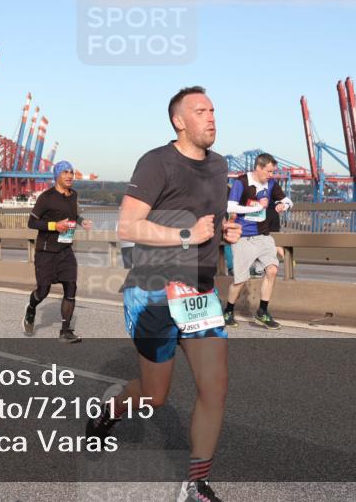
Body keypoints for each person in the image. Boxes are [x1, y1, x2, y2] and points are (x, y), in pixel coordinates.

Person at [85, 86, 242, 502]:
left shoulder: (221, 166)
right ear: (179, 120)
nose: (211, 117)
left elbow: (211, 216)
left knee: (215, 387)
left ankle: (195, 485)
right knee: (155, 397)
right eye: (201, 110)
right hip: (153, 290)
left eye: (213, 109)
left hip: (198, 292)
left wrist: (225, 231)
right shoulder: (156, 162)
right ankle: (112, 409)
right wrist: (187, 234)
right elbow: (128, 226)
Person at [22, 160, 94, 343]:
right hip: (46, 251)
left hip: (65, 250)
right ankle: (31, 307)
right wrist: (55, 225)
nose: (70, 176)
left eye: (71, 172)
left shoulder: (73, 195)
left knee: (71, 287)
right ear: (57, 176)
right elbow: (32, 223)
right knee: (43, 291)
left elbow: (72, 214)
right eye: (65, 172)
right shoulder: (46, 197)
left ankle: (65, 331)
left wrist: (81, 221)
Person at [223, 153, 293, 329]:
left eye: (272, 172)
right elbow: (230, 206)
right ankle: (228, 311)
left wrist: (283, 205)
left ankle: (262, 312)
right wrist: (255, 206)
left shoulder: (271, 184)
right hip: (243, 237)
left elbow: (287, 200)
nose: (271, 175)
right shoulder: (241, 182)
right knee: (240, 280)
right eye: (268, 171)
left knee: (272, 270)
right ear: (259, 168)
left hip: (263, 235)